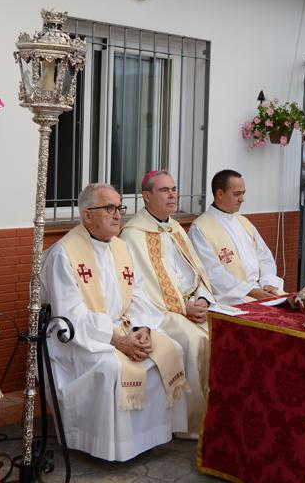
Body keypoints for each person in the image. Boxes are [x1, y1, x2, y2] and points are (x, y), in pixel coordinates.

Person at [40, 183, 190, 461]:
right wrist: (118, 340)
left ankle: (147, 438)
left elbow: (139, 296)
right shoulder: (65, 253)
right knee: (111, 366)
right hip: (78, 337)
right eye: (109, 208)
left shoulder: (121, 248)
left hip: (124, 327)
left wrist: (142, 329)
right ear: (87, 215)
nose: (118, 214)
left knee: (172, 348)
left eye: (119, 207)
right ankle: (108, 446)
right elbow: (70, 315)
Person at [120, 170, 213, 436]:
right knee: (195, 341)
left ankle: (220, 414)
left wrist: (203, 300)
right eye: (164, 190)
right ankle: (195, 425)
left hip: (192, 305)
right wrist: (184, 308)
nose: (172, 194)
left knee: (226, 330)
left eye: (173, 189)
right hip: (159, 312)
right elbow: (141, 290)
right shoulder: (133, 234)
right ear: (146, 196)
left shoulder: (174, 227)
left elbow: (197, 271)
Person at [189, 169, 285, 304]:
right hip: (231, 297)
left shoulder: (244, 222)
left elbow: (265, 257)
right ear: (220, 194)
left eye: (243, 193)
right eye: (237, 194)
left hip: (261, 290)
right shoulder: (201, 228)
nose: (242, 199)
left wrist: (268, 283)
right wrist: (249, 291)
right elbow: (212, 273)